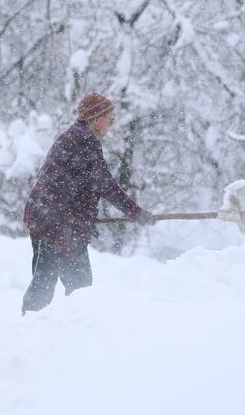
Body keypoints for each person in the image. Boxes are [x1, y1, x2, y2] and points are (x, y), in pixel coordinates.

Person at [21, 93, 152, 314]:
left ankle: (51, 328)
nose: (111, 124)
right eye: (110, 118)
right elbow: (104, 184)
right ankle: (41, 330)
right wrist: (135, 212)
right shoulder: (85, 140)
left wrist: (85, 219)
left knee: (60, 281)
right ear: (97, 118)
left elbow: (76, 186)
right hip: (56, 224)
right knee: (72, 284)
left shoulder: (72, 137)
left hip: (47, 218)